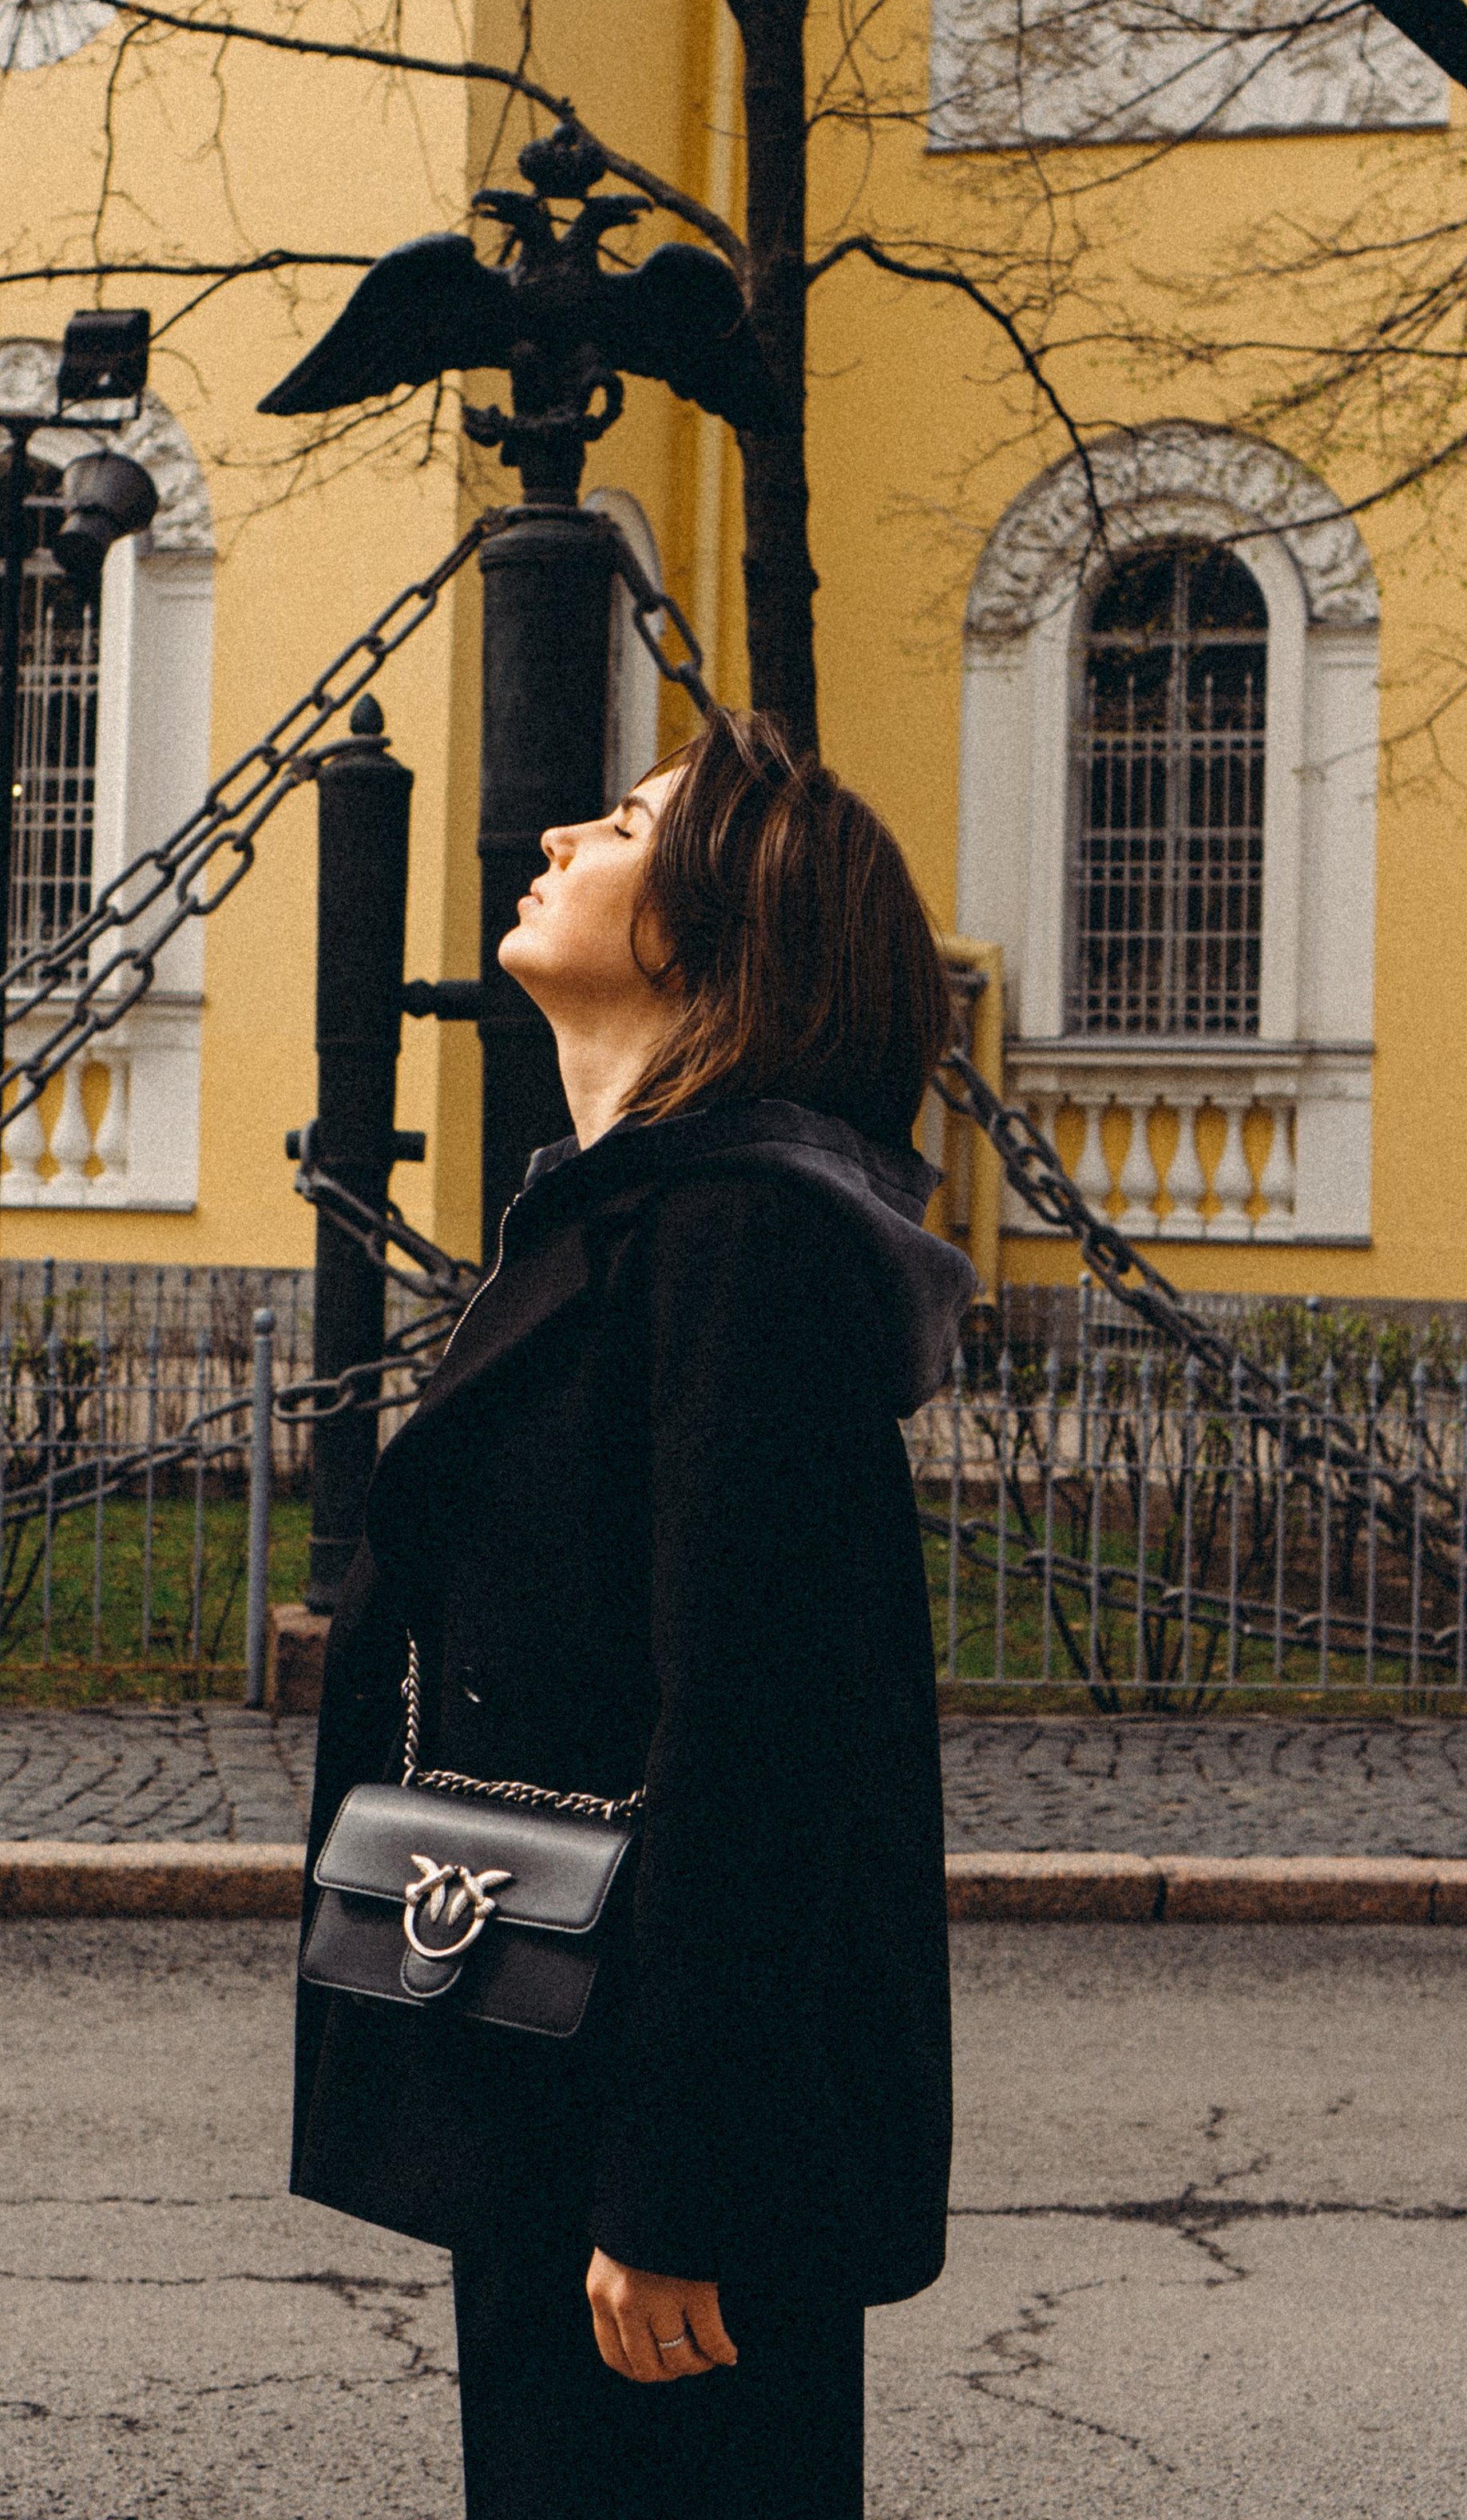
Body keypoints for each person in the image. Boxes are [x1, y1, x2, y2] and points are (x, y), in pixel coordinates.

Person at [292, 707, 975, 2520]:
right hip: (545, 2048)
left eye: (619, 823)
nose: (559, 840)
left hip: (650, 2128)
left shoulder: (737, 1244)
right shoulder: (628, 1219)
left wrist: (680, 2189)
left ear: (706, 929)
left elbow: (759, 1740)